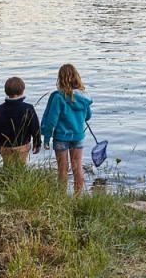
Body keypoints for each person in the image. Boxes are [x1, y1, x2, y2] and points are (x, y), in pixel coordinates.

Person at [41, 64, 92, 194]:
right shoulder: (84, 97)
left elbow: (52, 120)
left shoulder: (58, 97)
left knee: (62, 169)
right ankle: (77, 197)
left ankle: (61, 197)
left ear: (60, 79)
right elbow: (88, 116)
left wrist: (46, 138)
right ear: (76, 77)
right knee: (77, 168)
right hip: (78, 136)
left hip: (61, 137)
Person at [0, 76, 42, 164]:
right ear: (22, 91)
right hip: (22, 146)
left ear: (6, 91)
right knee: (21, 168)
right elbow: (35, 127)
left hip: (5, 147)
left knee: (7, 167)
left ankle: (8, 178)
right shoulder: (28, 108)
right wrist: (37, 143)